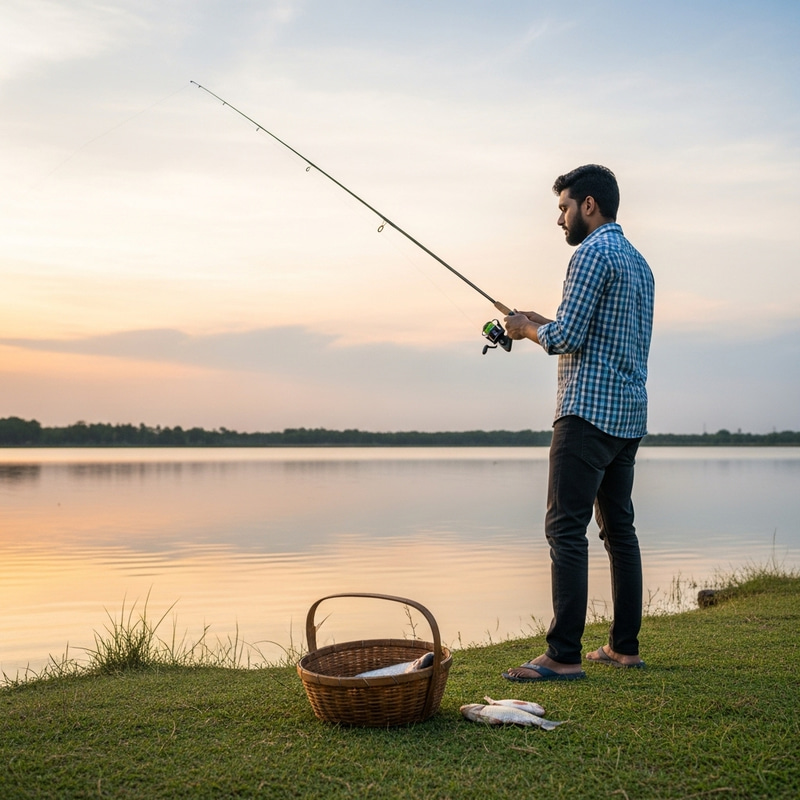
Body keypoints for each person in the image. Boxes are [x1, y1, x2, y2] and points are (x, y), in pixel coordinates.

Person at [501, 164, 655, 682]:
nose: (560, 219)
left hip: (586, 413)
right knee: (620, 532)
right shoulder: (639, 264)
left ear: (589, 204)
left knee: (565, 529)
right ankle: (624, 648)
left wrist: (524, 331)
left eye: (564, 207)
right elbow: (590, 333)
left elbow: (566, 339)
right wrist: (536, 321)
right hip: (627, 417)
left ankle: (563, 654)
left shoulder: (590, 254)